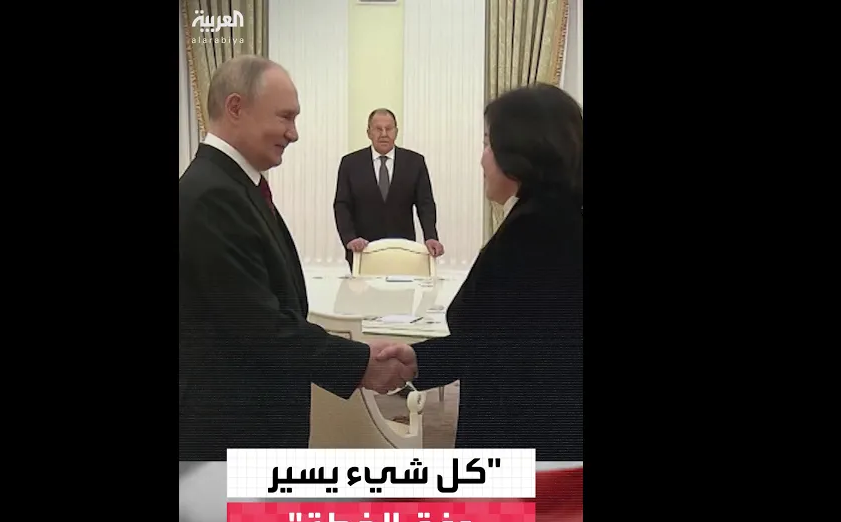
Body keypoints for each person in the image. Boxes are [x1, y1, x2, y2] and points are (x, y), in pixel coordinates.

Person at [179, 56, 416, 458]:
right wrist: (359, 363)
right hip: (230, 432)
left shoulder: (234, 186)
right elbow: (259, 326)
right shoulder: (211, 196)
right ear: (236, 107)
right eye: (285, 117)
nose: (294, 133)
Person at [376, 84, 583, 458]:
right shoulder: (556, 217)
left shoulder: (537, 230)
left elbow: (505, 350)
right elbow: (505, 338)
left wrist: (421, 360)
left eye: (488, 144)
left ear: (521, 151)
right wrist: (420, 360)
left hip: (524, 440)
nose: (481, 159)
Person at [332, 109, 443, 270]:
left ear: (396, 132)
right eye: (378, 129)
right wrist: (349, 238)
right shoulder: (350, 163)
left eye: (389, 129)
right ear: (369, 132)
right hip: (362, 251)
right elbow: (342, 205)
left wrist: (431, 236)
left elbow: (425, 204)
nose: (384, 134)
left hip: (403, 251)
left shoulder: (415, 162)